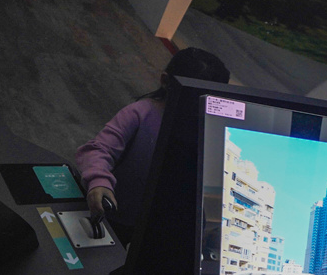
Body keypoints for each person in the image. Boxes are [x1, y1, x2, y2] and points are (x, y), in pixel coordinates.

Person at [75, 47, 230, 245]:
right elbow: (98, 149)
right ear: (165, 82)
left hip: (156, 228)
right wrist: (98, 181)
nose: (195, 109)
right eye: (190, 98)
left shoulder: (204, 131)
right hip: (112, 215)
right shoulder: (140, 114)